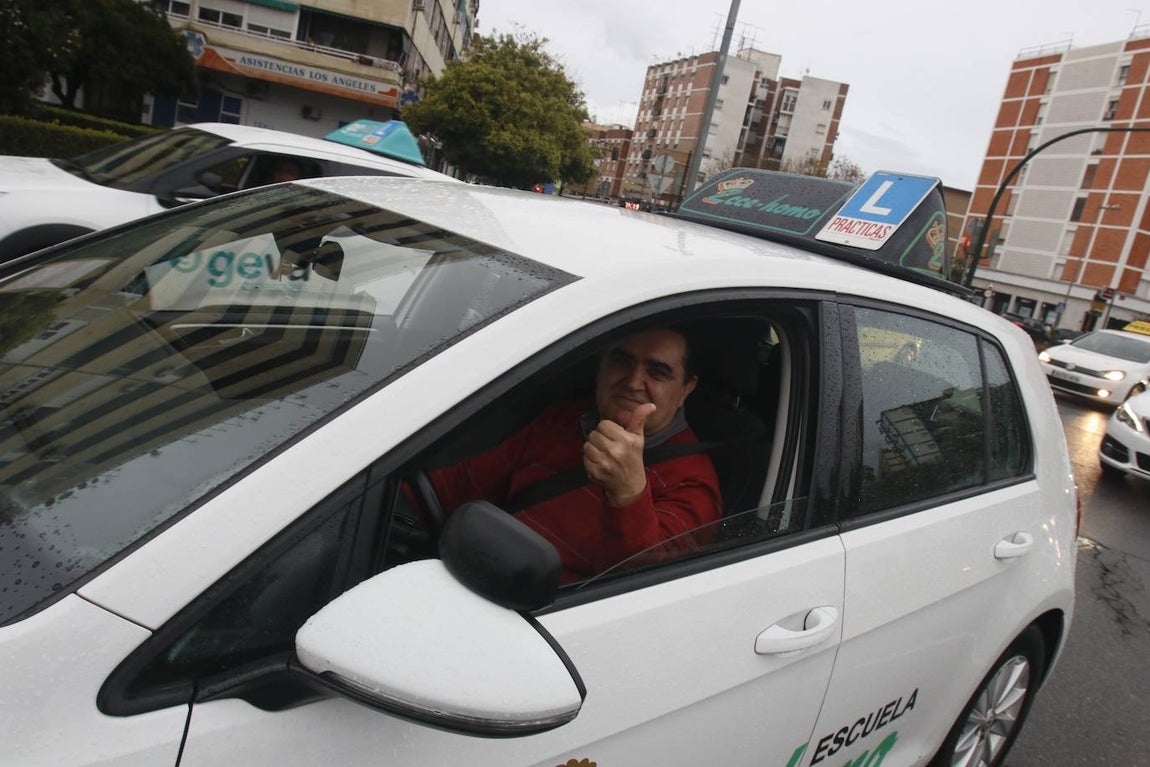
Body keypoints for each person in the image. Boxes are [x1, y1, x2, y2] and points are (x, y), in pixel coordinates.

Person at [420, 327, 722, 582]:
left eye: (657, 372)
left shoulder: (693, 485)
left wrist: (629, 493)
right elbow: (462, 482)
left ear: (685, 389)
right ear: (601, 364)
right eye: (621, 360)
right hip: (471, 573)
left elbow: (635, 589)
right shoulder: (565, 418)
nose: (633, 382)